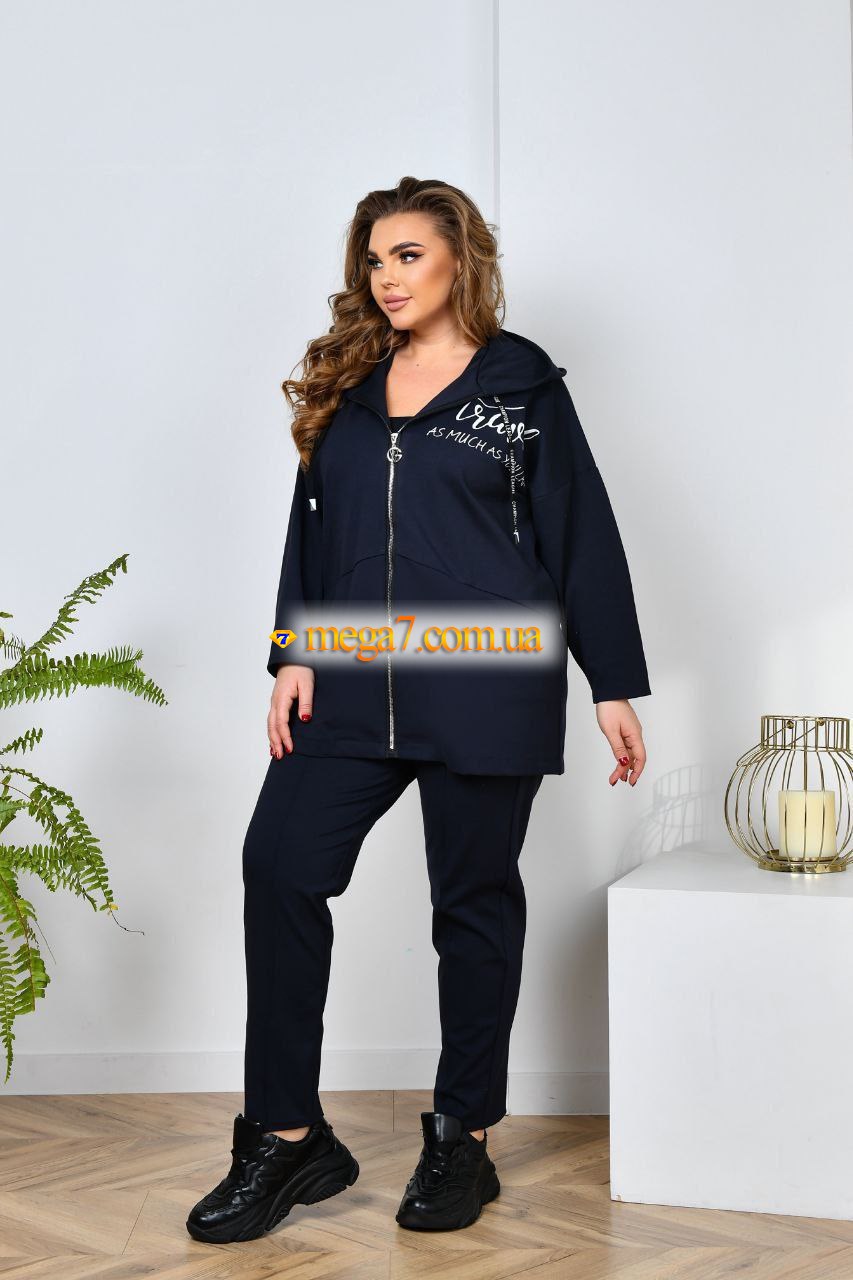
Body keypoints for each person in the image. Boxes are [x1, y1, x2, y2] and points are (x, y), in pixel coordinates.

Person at [186, 176, 651, 1244]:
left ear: (458, 259)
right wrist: (292, 650)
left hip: (488, 674)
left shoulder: (520, 385)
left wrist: (611, 682)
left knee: (472, 902)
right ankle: (287, 1136)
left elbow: (580, 533)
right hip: (351, 670)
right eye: (374, 259)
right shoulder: (350, 384)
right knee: (280, 865)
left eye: (406, 255)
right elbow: (310, 527)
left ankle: (461, 1135)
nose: (386, 277)